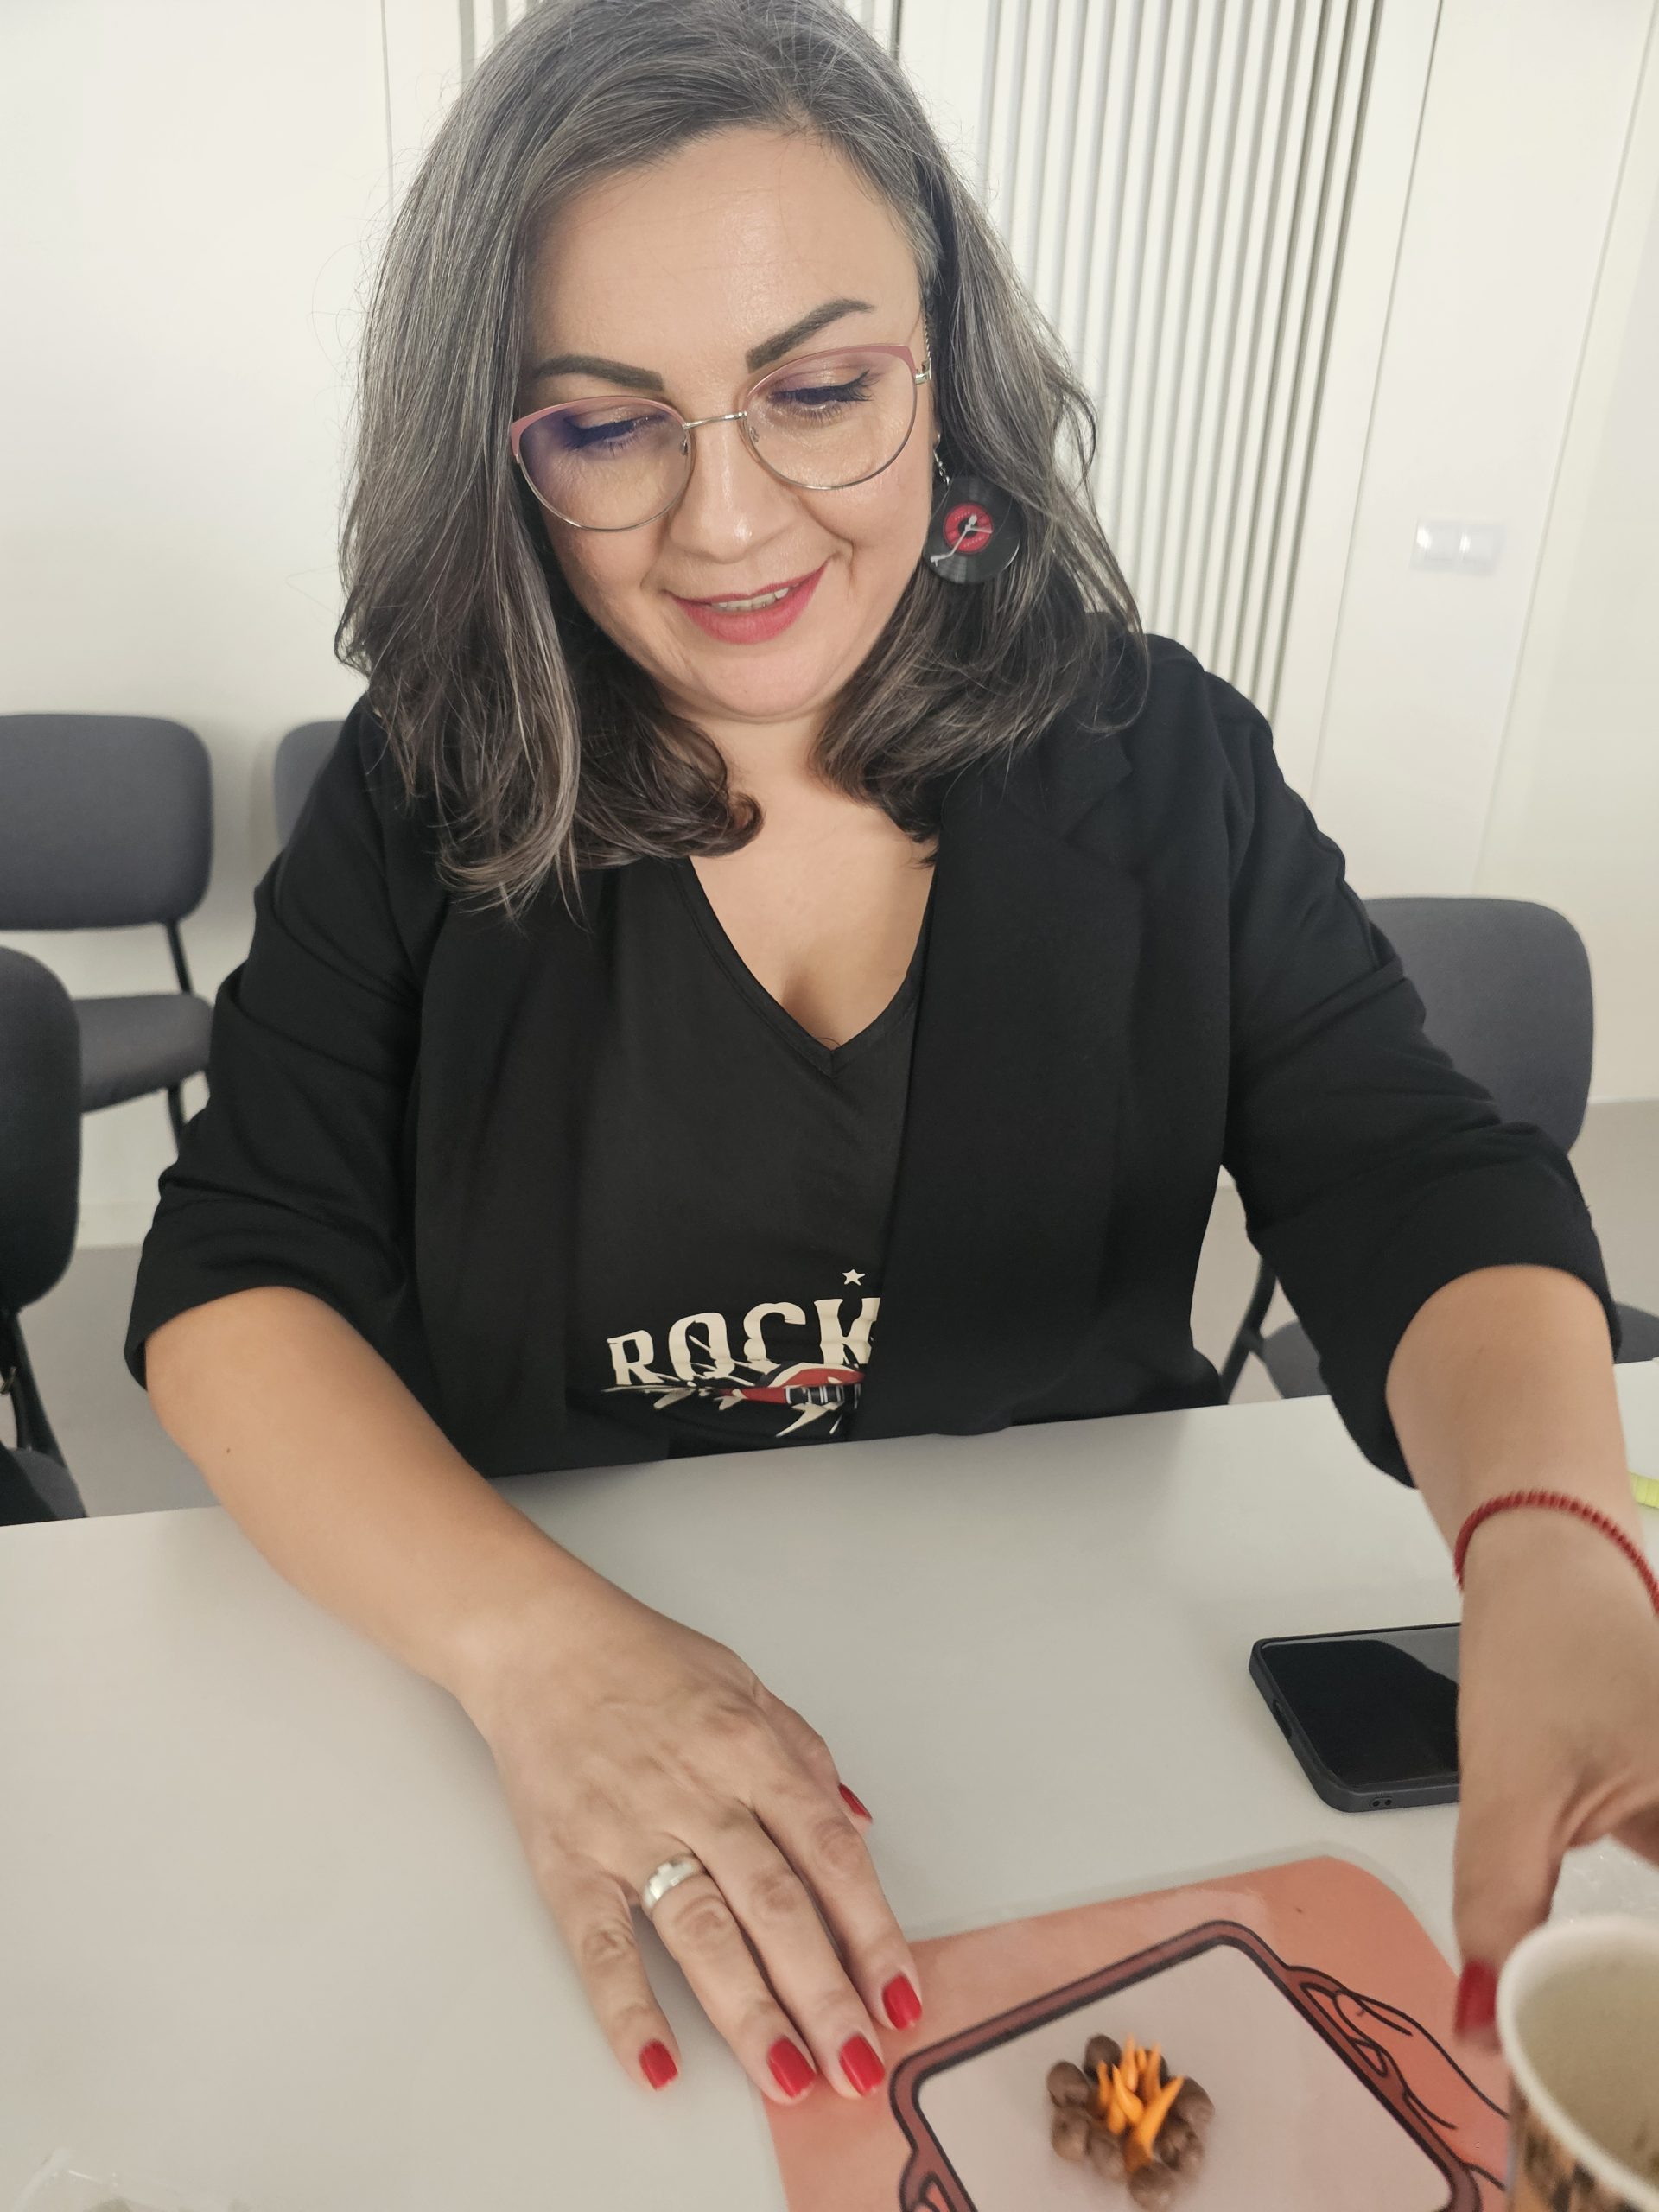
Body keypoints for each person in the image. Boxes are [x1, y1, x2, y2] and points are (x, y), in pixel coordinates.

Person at [125, 0, 1659, 2114]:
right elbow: (234, 1278)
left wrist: (1558, 1541)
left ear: (947, 378)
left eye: (820, 390)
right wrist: (537, 1654)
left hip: (1083, 1739)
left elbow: (1415, 1173)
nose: (727, 522)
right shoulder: (426, 791)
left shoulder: (1160, 758)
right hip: (551, 1765)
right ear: (505, 454)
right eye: (607, 425)